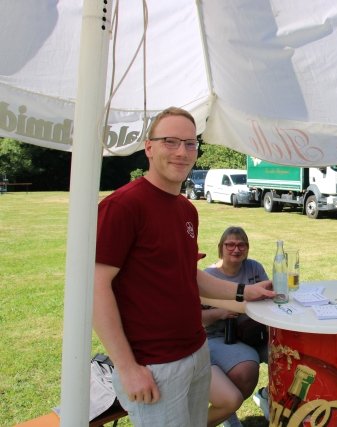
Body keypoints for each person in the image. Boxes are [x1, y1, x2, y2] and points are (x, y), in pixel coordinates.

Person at [93, 106, 274, 427]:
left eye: (190, 144)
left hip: (196, 351)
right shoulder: (122, 206)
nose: (182, 152)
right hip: (153, 364)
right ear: (149, 148)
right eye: (171, 141)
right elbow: (94, 287)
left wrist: (246, 291)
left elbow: (188, 276)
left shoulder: (186, 209)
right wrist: (127, 368)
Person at [201, 226, 269, 427]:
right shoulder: (208, 276)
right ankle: (227, 413)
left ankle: (268, 395)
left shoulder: (254, 268)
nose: (236, 249)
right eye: (230, 245)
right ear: (220, 248)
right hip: (218, 336)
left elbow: (269, 299)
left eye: (241, 245)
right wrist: (220, 313)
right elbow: (195, 318)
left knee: (288, 357)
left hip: (256, 332)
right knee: (246, 371)